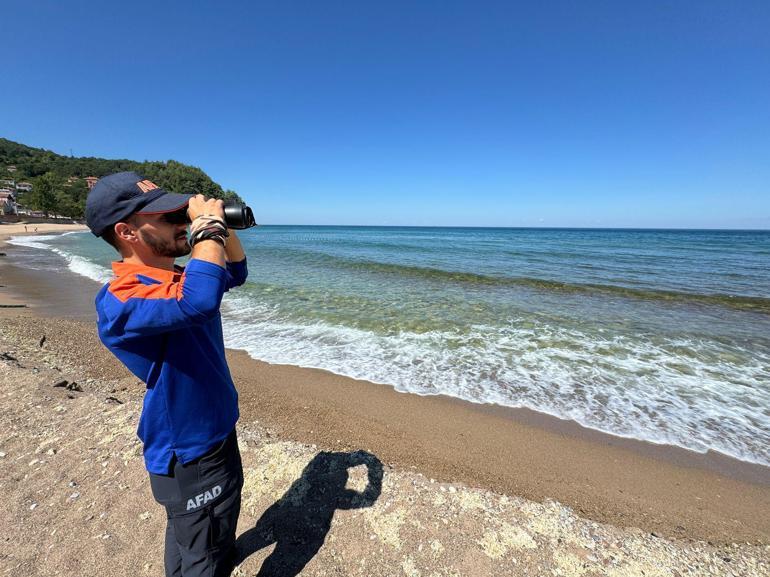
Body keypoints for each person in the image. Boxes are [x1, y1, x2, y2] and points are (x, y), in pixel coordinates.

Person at [85, 171, 248, 577]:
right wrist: (206, 228)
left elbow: (236, 272)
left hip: (213, 429)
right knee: (203, 555)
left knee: (198, 541)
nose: (182, 224)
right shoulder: (122, 299)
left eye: (181, 214)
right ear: (127, 232)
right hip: (189, 449)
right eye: (167, 218)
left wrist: (221, 227)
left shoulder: (173, 278)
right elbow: (201, 302)